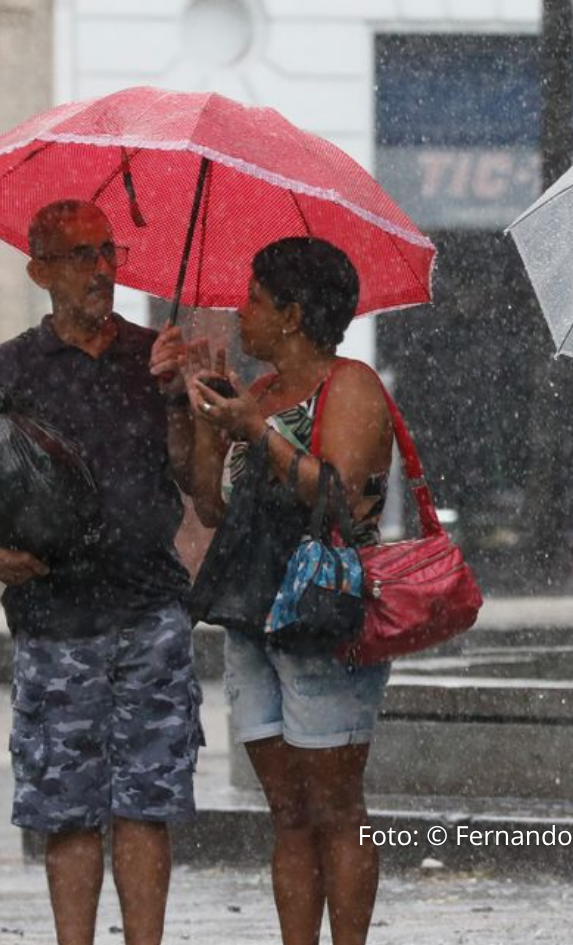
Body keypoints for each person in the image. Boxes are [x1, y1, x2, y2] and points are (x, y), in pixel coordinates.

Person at [1, 200, 200, 945]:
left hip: (151, 613)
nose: (102, 269)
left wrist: (181, 401)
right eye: (81, 255)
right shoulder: (12, 368)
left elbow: (197, 485)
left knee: (147, 804)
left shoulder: (153, 357)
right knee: (67, 808)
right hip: (55, 621)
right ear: (39, 270)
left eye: (109, 251)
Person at [185, 237, 393, 945]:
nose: (241, 313)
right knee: (289, 811)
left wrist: (259, 433)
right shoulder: (264, 393)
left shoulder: (352, 385)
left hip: (321, 617)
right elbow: (213, 510)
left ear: (294, 314)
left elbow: (338, 497)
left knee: (336, 806)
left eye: (254, 299)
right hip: (253, 619)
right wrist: (214, 425)